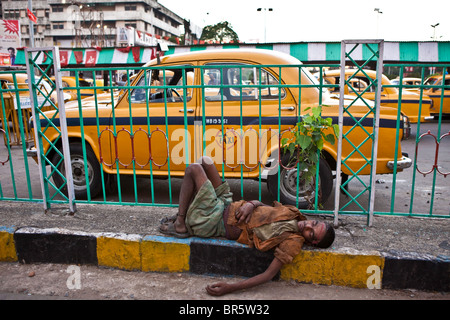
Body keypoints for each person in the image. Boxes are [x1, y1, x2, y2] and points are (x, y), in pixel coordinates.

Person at [159, 156, 335, 296]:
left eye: (311, 234)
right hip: (226, 203)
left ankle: (181, 223)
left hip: (215, 219)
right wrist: (252, 204)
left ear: (311, 242)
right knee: (205, 160)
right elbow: (266, 208)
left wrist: (230, 288)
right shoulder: (294, 213)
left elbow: (268, 275)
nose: (308, 227)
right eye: (314, 223)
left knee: (193, 169)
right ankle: (186, 212)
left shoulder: (292, 241)